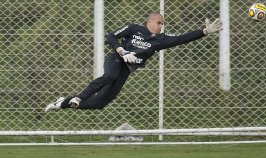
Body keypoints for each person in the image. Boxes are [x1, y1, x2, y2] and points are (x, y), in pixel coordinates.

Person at [45, 12, 222, 112]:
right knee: (109, 75)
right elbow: (111, 36)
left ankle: (63, 103)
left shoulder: (161, 40)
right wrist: (121, 50)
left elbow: (183, 38)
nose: (161, 26)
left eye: (163, 24)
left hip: (126, 70)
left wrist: (204, 32)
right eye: (159, 23)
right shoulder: (134, 28)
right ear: (149, 22)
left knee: (101, 103)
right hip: (116, 59)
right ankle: (79, 97)